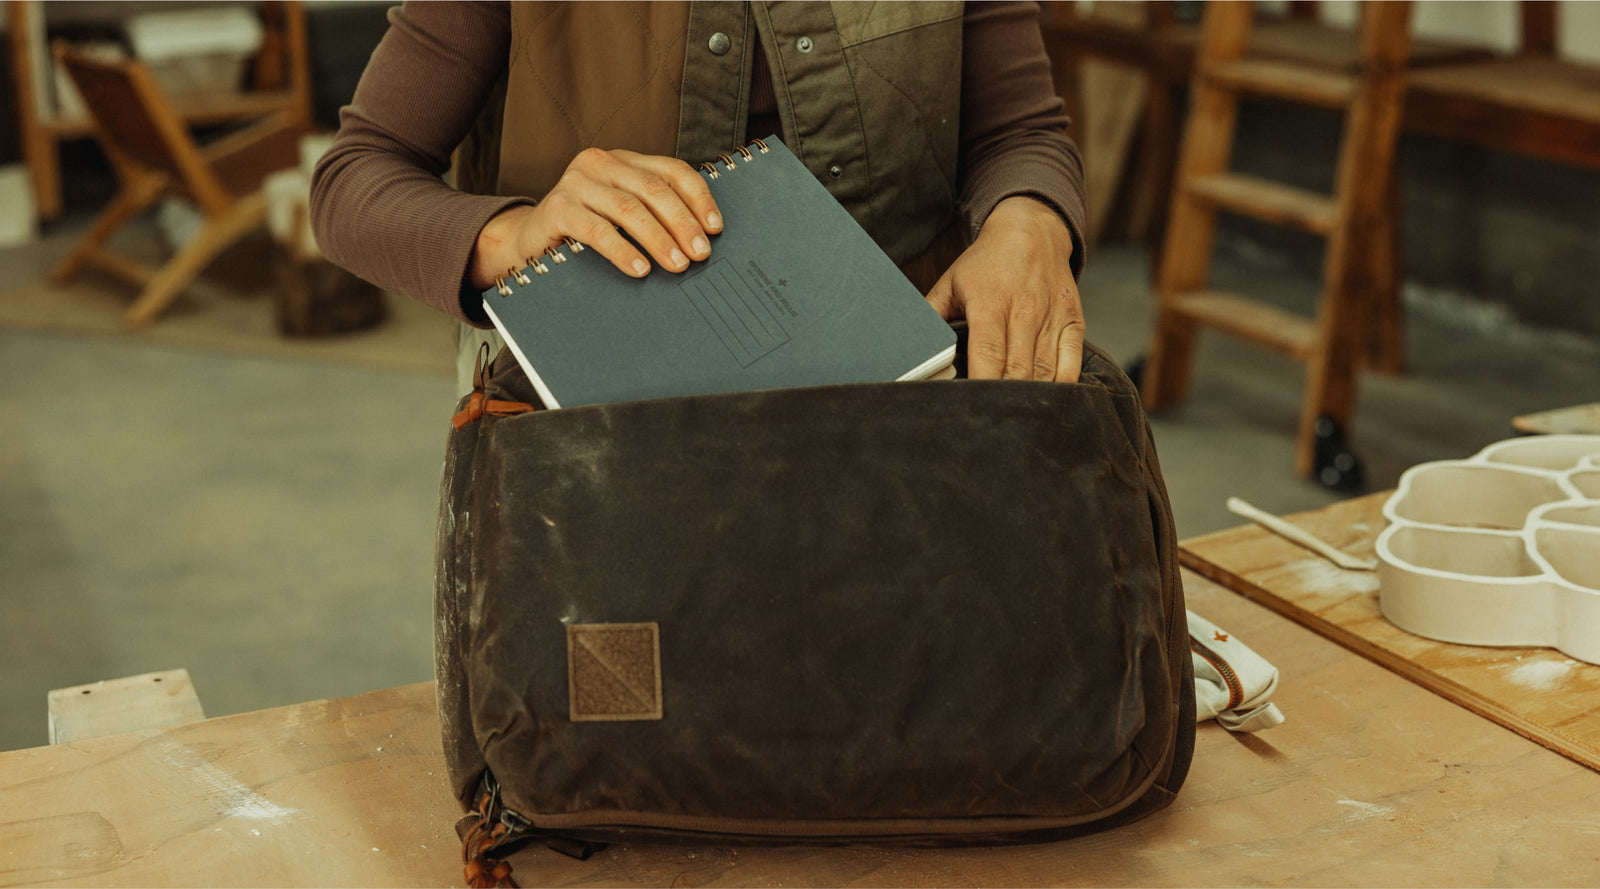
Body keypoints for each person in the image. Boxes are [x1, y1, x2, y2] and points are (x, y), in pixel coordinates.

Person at [311, 1, 1088, 394]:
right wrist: (514, 235)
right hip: (610, 456)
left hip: (905, 425)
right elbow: (356, 178)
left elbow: (1020, 132)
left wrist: (1031, 222)